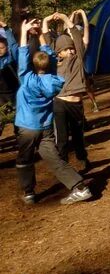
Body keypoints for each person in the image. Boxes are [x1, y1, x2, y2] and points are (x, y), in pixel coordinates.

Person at [14, 18, 91, 205]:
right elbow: (51, 56)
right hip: (46, 127)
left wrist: (24, 32)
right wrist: (40, 34)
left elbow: (23, 55)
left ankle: (29, 192)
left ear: (32, 66)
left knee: (24, 160)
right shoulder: (56, 80)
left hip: (27, 128)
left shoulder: (27, 79)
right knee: (54, 159)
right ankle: (80, 188)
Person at [43, 11, 92, 172]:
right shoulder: (53, 63)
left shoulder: (78, 59)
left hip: (76, 104)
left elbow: (78, 38)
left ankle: (82, 158)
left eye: (71, 48)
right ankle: (63, 165)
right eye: (66, 49)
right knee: (62, 139)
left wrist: (65, 19)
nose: (70, 51)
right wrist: (45, 20)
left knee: (78, 136)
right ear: (58, 53)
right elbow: (47, 41)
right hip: (60, 104)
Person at [0, 15, 20, 116]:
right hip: (0, 97)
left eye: (2, 48)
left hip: (14, 95)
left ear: (6, 48)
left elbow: (13, 46)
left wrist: (6, 27)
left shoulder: (12, 59)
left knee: (16, 121)